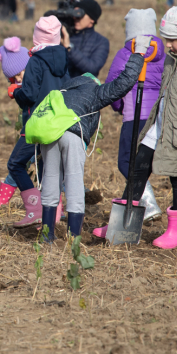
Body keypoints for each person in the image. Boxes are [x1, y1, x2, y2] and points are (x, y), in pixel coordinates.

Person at [93, 6, 177, 248]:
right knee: (137, 171)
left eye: (172, 41)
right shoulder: (175, 57)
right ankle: (120, 226)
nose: (169, 46)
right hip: (160, 126)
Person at [35, 37, 151, 242]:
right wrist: (138, 55)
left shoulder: (64, 89)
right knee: (73, 181)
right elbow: (122, 84)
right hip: (72, 134)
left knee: (51, 180)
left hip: (50, 133)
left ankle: (47, 235)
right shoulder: (95, 90)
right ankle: (74, 237)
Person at [0, 16, 70, 227]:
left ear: (37, 39)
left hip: (38, 124)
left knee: (15, 163)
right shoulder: (64, 58)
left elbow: (29, 95)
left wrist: (17, 93)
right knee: (49, 167)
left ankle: (35, 208)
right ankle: (53, 212)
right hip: (59, 122)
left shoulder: (35, 61)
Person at [103, 8, 165, 222]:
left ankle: (148, 204)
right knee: (142, 163)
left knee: (126, 162)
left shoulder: (126, 52)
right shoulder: (163, 52)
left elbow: (113, 85)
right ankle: (138, 202)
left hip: (133, 116)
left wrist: (119, 106)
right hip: (156, 116)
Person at [62, 0, 110, 78]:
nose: (75, 17)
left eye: (79, 14)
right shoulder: (68, 36)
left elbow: (92, 68)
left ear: (92, 19)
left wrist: (69, 47)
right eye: (74, 13)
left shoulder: (101, 42)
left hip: (85, 88)